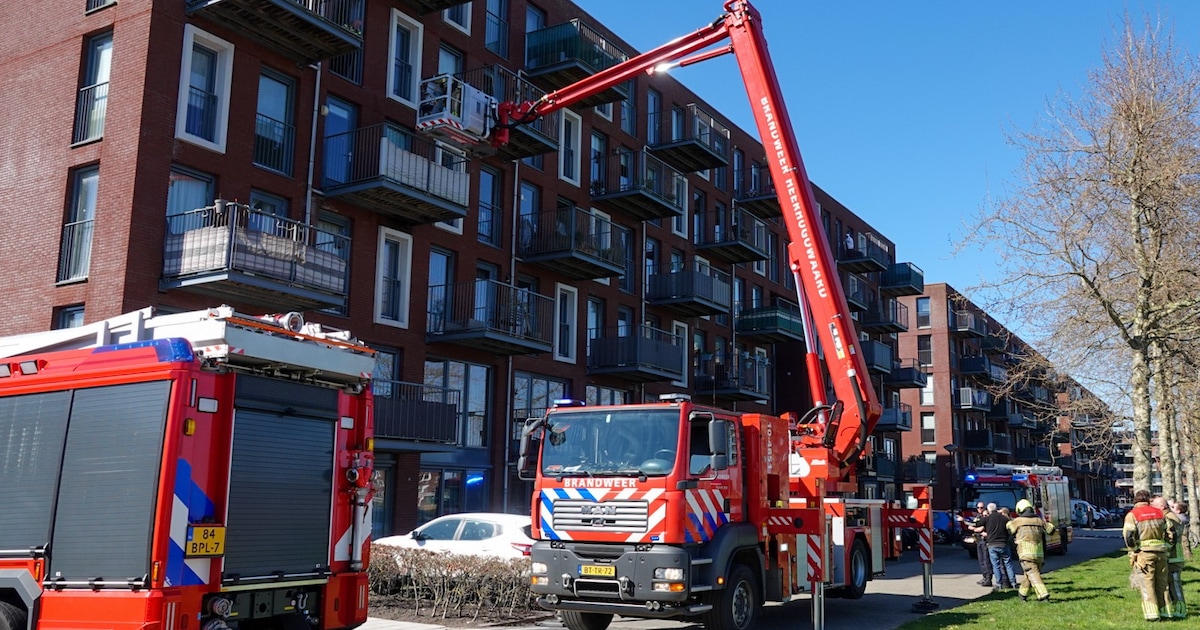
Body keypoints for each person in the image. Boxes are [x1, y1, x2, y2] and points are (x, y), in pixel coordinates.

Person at [1123, 489, 1173, 621]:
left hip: (1144, 553)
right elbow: (1171, 532)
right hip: (1161, 552)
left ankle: (1152, 614)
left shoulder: (1132, 514)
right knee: (1162, 583)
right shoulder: (1160, 513)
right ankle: (1166, 612)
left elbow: (1128, 536)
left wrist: (1134, 550)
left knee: (1147, 583)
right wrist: (1167, 547)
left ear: (1135, 500)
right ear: (1148, 499)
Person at [1007, 498, 1056, 602]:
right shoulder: (1039, 520)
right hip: (1039, 553)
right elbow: (1051, 530)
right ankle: (1022, 594)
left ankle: (1043, 594)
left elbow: (1008, 528)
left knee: (1032, 573)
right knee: (1031, 573)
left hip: (1025, 553)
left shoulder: (1018, 521)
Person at [1154, 497, 1187, 619]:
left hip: (1173, 557)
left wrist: (1164, 552)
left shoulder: (1168, 518)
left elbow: (1171, 538)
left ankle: (1180, 610)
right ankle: (1173, 608)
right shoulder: (1173, 516)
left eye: (1155, 507)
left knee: (1174, 584)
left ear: (1162, 507)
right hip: (1174, 557)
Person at [981, 502, 1017, 591]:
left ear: (989, 510)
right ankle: (1014, 583)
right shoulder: (1004, 519)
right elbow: (1010, 529)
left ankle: (999, 584)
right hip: (1004, 544)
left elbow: (977, 524)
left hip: (992, 545)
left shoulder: (987, 519)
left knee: (996, 565)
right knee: (1008, 564)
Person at [960, 502, 994, 586]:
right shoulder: (978, 517)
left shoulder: (986, 517)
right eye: (978, 507)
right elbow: (975, 524)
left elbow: (980, 528)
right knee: (981, 560)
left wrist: (973, 528)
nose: (980, 509)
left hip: (985, 540)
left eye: (981, 507)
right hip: (978, 540)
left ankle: (988, 579)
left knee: (986, 560)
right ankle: (984, 577)